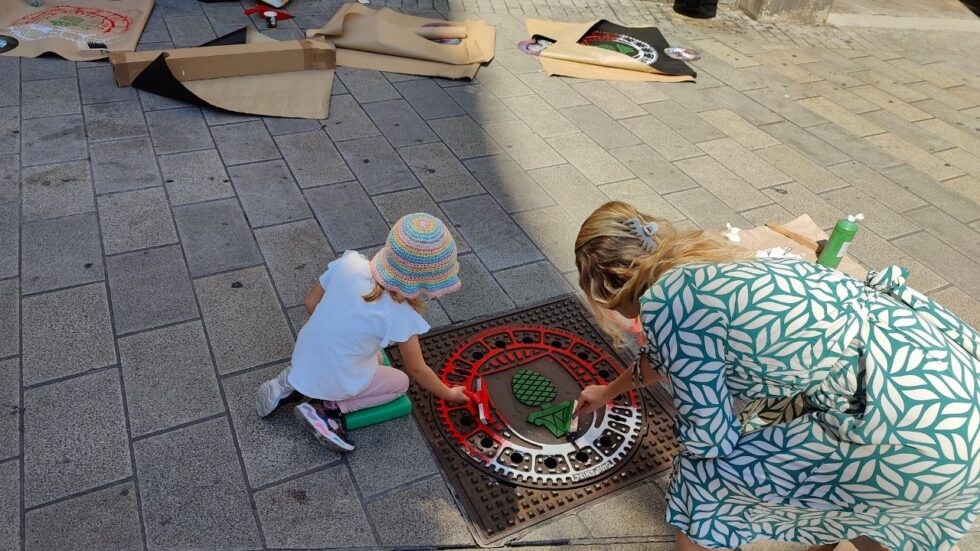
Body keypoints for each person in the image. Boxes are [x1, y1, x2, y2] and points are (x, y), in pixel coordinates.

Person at [573, 201, 980, 551]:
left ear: (609, 281)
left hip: (904, 430)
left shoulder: (667, 302)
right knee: (864, 500)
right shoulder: (705, 262)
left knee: (703, 483)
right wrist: (608, 391)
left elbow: (711, 437)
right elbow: (663, 358)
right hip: (947, 399)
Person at [255, 213, 469, 452]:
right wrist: (449, 394)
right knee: (401, 382)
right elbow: (418, 369)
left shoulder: (350, 263)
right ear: (426, 281)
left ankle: (297, 381)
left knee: (375, 356)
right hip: (338, 374)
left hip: (305, 353)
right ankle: (327, 408)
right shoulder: (401, 316)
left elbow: (310, 301)